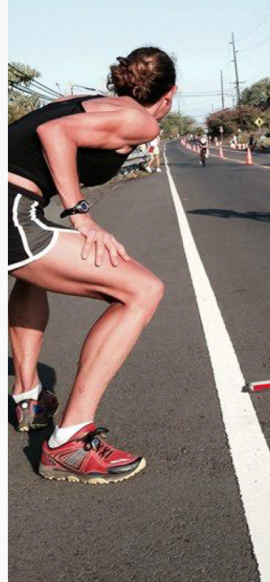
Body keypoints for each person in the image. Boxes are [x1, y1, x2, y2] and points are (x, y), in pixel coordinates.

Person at [8, 46, 177, 484]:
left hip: (18, 206)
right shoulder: (140, 119)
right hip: (11, 210)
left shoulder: (81, 103)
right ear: (169, 94)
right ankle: (68, 442)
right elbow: (55, 136)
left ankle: (28, 395)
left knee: (31, 277)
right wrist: (81, 215)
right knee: (142, 290)